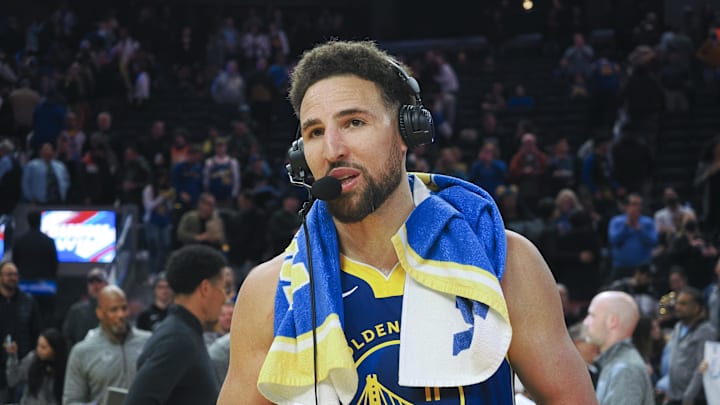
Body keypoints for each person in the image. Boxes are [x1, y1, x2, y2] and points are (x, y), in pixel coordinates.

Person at [218, 40, 596, 405]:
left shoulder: (504, 259)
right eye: (315, 132)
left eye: (354, 122)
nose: (333, 150)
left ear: (406, 132)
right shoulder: (272, 291)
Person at [124, 245, 228, 404]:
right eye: (222, 289)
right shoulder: (178, 339)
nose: (224, 298)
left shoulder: (184, 332)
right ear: (205, 288)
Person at [63, 285, 150, 405]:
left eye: (124, 308)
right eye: (114, 310)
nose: (121, 315)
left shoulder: (149, 342)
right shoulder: (82, 351)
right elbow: (71, 401)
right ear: (100, 313)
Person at [582, 291, 655, 405]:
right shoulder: (617, 363)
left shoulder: (626, 369)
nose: (586, 322)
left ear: (612, 321)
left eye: (592, 315)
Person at [660, 287, 718, 405]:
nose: (677, 307)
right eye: (677, 303)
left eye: (683, 304)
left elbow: (702, 367)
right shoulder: (677, 327)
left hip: (693, 399)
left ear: (697, 308)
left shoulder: (706, 332)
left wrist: (689, 397)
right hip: (674, 395)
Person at [0, 261, 41, 404]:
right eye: (8, 274)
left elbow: (36, 332)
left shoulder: (28, 301)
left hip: (23, 367)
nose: (13, 277)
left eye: (15, 274)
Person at [11, 210, 58, 328]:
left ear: (28, 222)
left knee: (23, 320)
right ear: (40, 222)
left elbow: (14, 264)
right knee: (45, 320)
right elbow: (54, 265)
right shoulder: (49, 242)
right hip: (45, 288)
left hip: (24, 287)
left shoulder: (20, 242)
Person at [4, 327, 68, 405]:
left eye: (43, 347)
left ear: (55, 349)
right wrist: (12, 356)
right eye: (38, 346)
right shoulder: (32, 359)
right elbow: (12, 380)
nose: (39, 350)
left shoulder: (65, 367)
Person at [61, 268, 108, 346]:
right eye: (91, 282)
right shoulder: (76, 310)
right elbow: (67, 337)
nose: (95, 285)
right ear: (88, 286)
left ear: (106, 284)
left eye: (99, 281)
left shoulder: (112, 310)